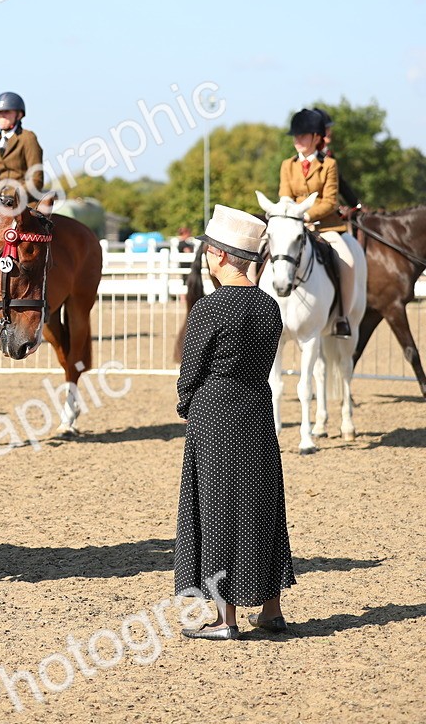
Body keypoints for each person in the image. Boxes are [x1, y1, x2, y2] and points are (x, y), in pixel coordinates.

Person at [175, 204, 295, 641]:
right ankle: (271, 610)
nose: (207, 260)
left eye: (208, 253)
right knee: (263, 504)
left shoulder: (209, 308)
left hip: (214, 414)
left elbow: (190, 372)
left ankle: (225, 620)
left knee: (217, 509)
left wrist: (187, 403)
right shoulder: (269, 307)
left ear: (221, 256)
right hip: (258, 412)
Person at [278, 108, 359, 337]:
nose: (298, 141)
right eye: (295, 136)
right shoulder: (287, 165)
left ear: (316, 138)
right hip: (292, 224)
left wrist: (306, 216)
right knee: (263, 252)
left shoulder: (329, 165)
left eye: (303, 136)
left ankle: (341, 317)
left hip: (324, 226)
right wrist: (291, 215)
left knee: (348, 261)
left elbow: (330, 201)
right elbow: (285, 195)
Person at [0, 91, 45, 198]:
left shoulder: (28, 138)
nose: (1, 116)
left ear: (19, 115)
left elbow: (36, 181)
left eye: (6, 112)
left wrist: (9, 194)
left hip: (24, 201)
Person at [313, 106, 361, 209]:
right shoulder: (310, 158)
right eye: (326, 129)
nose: (329, 132)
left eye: (329, 129)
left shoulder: (328, 155)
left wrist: (357, 205)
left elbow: (340, 184)